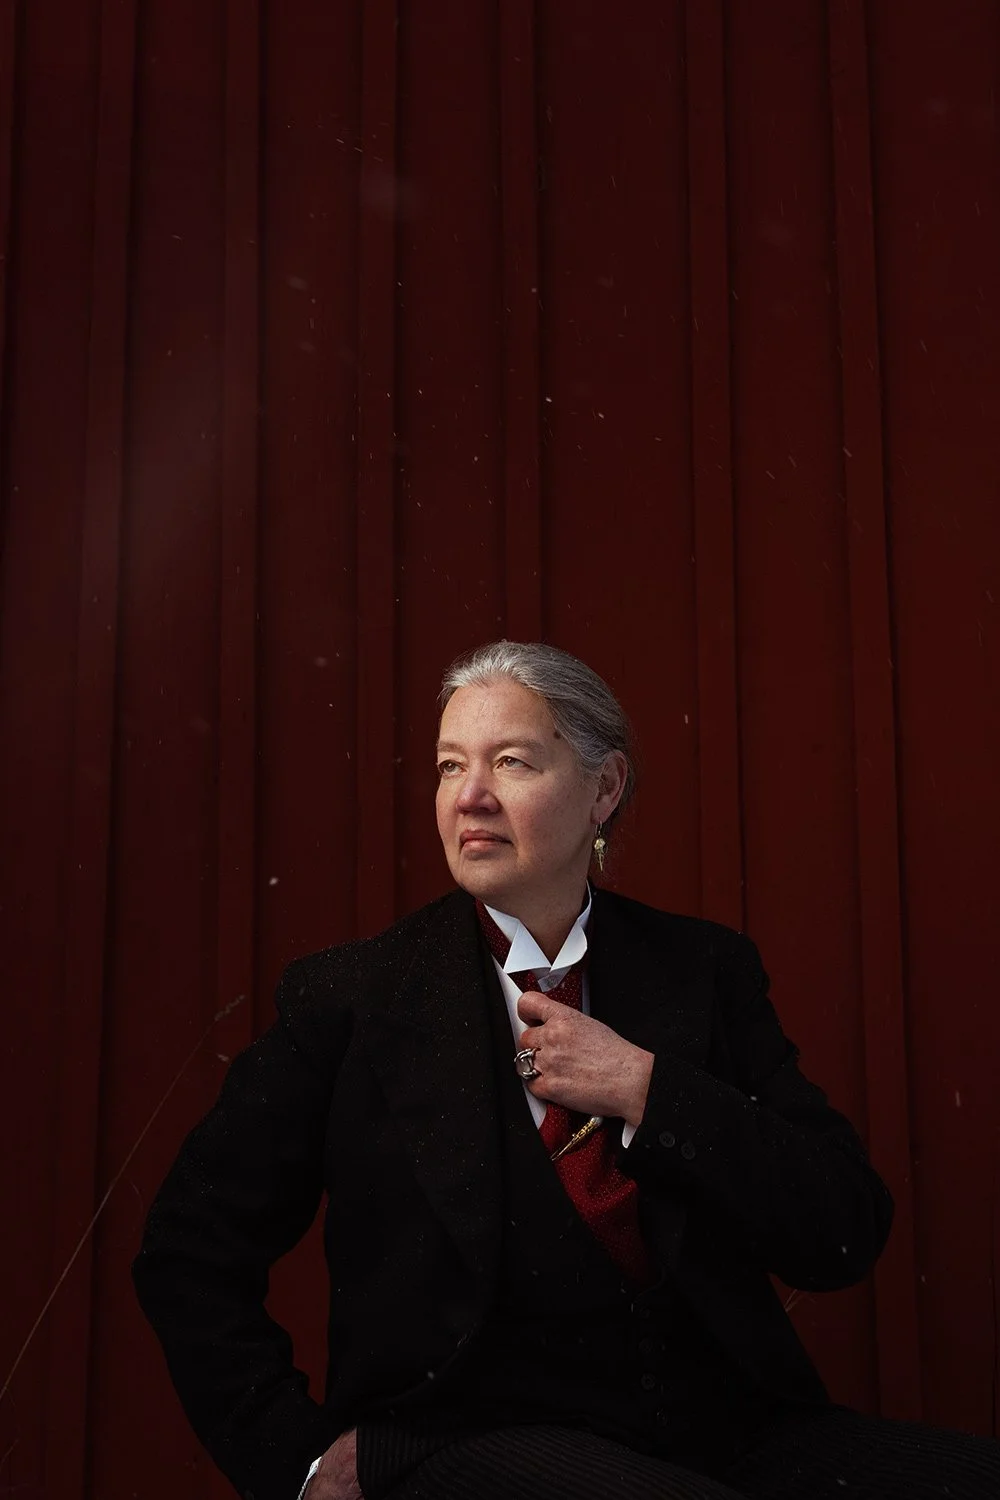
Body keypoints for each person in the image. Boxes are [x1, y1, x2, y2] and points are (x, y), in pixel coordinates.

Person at [133, 641, 1000, 1500]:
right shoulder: (351, 999)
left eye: (511, 761)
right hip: (471, 1443)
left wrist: (649, 1091)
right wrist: (302, 1461)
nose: (468, 796)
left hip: (728, 1431)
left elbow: (843, 1230)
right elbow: (189, 1248)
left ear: (605, 789)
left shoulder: (703, 971)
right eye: (447, 766)